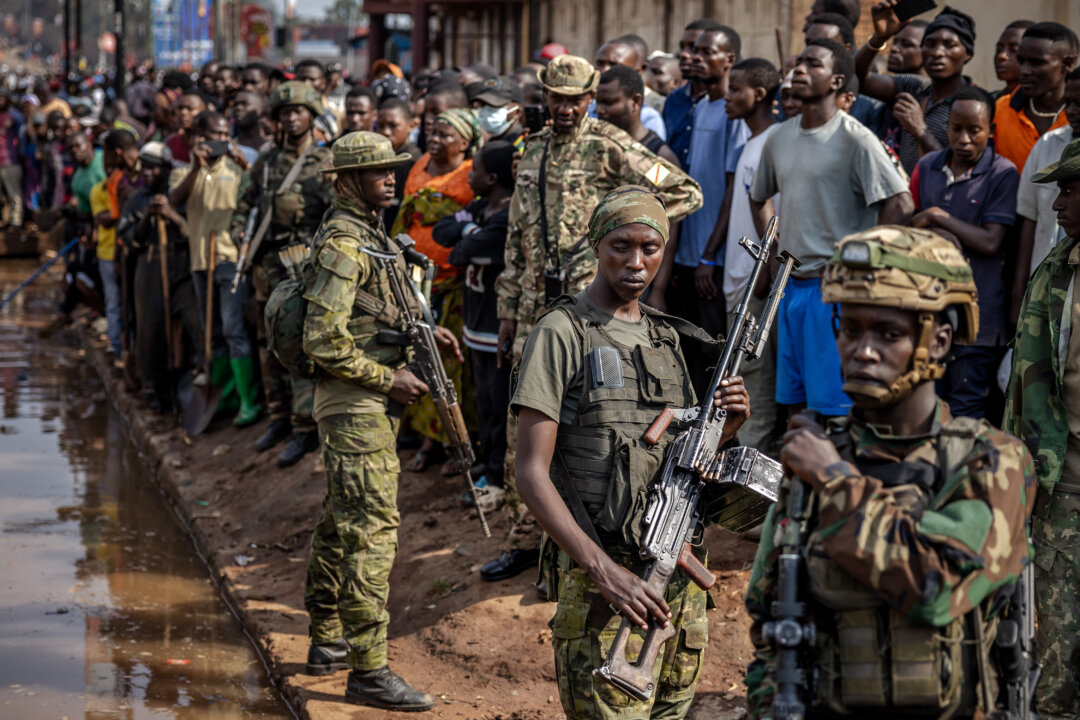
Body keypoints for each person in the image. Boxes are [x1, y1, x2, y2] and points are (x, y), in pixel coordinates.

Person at [745, 226, 1036, 720]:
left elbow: (937, 588)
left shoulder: (992, 460)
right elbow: (770, 622)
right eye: (851, 329)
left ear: (940, 342)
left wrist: (836, 481)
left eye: (890, 333)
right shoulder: (817, 459)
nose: (863, 350)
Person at [513, 185, 748, 719]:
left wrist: (727, 431)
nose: (636, 262)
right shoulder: (561, 332)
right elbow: (530, 472)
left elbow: (686, 459)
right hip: (606, 589)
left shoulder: (671, 339)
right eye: (621, 245)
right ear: (597, 245)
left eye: (651, 247)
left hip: (678, 587)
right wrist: (602, 571)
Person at [487, 54, 702, 584]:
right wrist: (509, 310)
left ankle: (589, 543)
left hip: (598, 313)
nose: (564, 108)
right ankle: (533, 547)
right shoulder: (532, 151)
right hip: (543, 313)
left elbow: (684, 191)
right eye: (555, 99)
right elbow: (517, 238)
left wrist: (623, 236)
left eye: (574, 99)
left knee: (590, 433)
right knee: (531, 433)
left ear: (589, 97)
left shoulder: (610, 144)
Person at [301, 131, 457, 712]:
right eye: (377, 173)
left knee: (343, 517)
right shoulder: (346, 240)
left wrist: (422, 333)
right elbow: (322, 339)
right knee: (372, 527)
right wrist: (386, 377)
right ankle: (368, 669)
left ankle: (326, 638)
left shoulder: (369, 232)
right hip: (354, 403)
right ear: (346, 180)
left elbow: (375, 310)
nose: (391, 178)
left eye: (394, 169)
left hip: (361, 401)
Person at [749, 39, 913, 420]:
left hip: (834, 292)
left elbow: (901, 203)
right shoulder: (780, 136)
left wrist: (857, 262)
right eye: (798, 63)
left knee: (835, 409)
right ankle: (798, 480)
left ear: (838, 81)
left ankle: (838, 479)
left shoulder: (854, 138)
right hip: (789, 290)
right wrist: (772, 253)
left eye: (812, 64)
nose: (799, 71)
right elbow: (759, 198)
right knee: (794, 405)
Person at [1004, 136, 1080, 720]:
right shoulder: (1057, 269)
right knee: (1055, 637)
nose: (1058, 203)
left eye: (1072, 189)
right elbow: (1026, 390)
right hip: (1064, 478)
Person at [230, 80, 332, 467]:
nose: (291, 119)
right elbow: (244, 203)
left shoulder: (323, 162)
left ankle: (304, 427)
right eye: (284, 113)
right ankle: (277, 418)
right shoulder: (268, 162)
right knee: (267, 342)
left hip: (305, 265)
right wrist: (240, 232)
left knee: (299, 343)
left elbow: (336, 213)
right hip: (266, 265)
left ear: (310, 115)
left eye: (298, 112)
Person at [909, 87, 1019, 419]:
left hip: (978, 318)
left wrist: (938, 217)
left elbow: (989, 241)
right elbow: (909, 228)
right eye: (956, 128)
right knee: (924, 404)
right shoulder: (929, 165)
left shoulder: (1002, 173)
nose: (964, 139)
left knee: (965, 409)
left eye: (975, 130)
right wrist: (929, 223)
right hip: (928, 307)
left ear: (991, 131)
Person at [390, 109, 478, 475]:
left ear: (465, 142)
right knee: (419, 356)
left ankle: (456, 441)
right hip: (417, 282)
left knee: (451, 365)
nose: (436, 140)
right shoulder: (420, 163)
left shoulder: (471, 172)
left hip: (454, 280)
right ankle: (428, 439)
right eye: (433, 132)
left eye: (445, 134)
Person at [432, 140, 516, 505]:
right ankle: (485, 464)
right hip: (474, 328)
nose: (469, 175)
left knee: (500, 406)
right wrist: (470, 233)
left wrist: (469, 237)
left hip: (497, 328)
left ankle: (498, 477)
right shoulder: (482, 207)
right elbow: (444, 232)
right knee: (482, 403)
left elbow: (466, 250)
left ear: (493, 177)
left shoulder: (508, 216)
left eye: (475, 170)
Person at [653, 24, 748, 334]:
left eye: (706, 52)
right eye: (696, 51)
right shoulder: (701, 106)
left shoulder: (734, 111)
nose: (695, 58)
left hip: (714, 258)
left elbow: (733, 188)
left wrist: (709, 255)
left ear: (729, 59)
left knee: (712, 344)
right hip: (687, 253)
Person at [170, 111, 260, 427]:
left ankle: (249, 400)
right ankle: (226, 395)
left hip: (229, 257)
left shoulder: (238, 166)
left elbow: (258, 196)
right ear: (200, 137)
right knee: (214, 332)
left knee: (234, 328)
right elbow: (175, 199)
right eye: (214, 135)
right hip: (199, 258)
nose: (221, 140)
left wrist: (246, 166)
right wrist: (196, 166)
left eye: (225, 134)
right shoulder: (184, 171)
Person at [721, 58, 782, 455]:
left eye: (735, 89)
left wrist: (765, 270)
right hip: (738, 283)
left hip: (755, 284)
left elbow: (775, 214)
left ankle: (753, 494)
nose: (727, 98)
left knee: (754, 388)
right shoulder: (750, 143)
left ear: (759, 95)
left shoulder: (774, 143)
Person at [116, 141, 203, 413]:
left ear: (166, 169)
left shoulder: (181, 194)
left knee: (195, 322)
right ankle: (155, 390)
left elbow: (193, 231)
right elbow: (128, 238)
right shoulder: (137, 199)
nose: (148, 173)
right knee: (150, 330)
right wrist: (147, 219)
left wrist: (171, 215)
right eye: (145, 168)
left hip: (180, 265)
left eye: (154, 168)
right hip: (149, 267)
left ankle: (201, 379)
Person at [856, 4, 977, 174]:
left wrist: (920, 130)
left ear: (968, 53)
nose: (937, 53)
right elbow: (859, 81)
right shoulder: (915, 86)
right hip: (907, 198)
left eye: (948, 45)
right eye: (930, 44)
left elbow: (959, 170)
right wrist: (879, 39)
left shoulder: (974, 104)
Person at [1013, 67, 1080, 296]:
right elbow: (1029, 217)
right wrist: (1020, 288)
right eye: (1068, 102)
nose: (1071, 111)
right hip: (1046, 279)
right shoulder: (1048, 143)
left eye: (1079, 103)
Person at [994, 22, 1078, 174]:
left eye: (1036, 62)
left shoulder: (1075, 116)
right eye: (1021, 61)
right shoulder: (1000, 110)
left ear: (1068, 63)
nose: (1024, 71)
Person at [806, 12, 886, 136]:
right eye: (809, 43)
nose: (812, 51)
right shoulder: (793, 91)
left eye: (824, 44)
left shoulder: (870, 106)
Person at [663, 19, 722, 170]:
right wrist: (657, 187)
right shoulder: (674, 99)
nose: (684, 54)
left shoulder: (724, 103)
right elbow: (663, 153)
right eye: (682, 47)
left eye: (694, 48)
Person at [594, 66, 679, 167]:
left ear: (635, 102)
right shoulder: (594, 145)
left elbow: (661, 182)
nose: (599, 110)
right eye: (597, 103)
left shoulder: (656, 157)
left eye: (608, 103)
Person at [593, 37, 667, 140]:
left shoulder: (649, 117)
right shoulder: (588, 107)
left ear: (639, 69)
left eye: (614, 65)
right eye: (600, 63)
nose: (604, 70)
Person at [374, 98, 421, 228]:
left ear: (410, 126)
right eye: (381, 126)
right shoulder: (380, 157)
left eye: (393, 126)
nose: (386, 132)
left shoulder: (414, 162)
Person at [294, 59, 341, 141]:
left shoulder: (336, 115)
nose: (306, 84)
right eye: (302, 79)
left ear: (323, 83)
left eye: (312, 79)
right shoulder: (286, 114)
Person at [473, 76, 525, 147]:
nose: (486, 111)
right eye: (482, 105)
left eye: (494, 106)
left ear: (516, 112)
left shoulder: (523, 144)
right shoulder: (489, 142)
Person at [0, 90, 25, 228]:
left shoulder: (15, 116)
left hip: (10, 161)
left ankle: (16, 222)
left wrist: (21, 157)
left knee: (14, 194)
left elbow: (21, 138)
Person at [994, 20, 1035, 98]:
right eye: (999, 49)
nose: (1001, 56)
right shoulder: (991, 101)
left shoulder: (1039, 105)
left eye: (1014, 49)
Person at [165, 91, 207, 164]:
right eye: (180, 108)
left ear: (202, 111)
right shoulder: (171, 142)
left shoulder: (207, 146)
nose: (183, 112)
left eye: (190, 108)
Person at [229, 90, 266, 164]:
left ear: (260, 109)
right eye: (235, 104)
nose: (238, 108)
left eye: (244, 104)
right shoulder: (231, 147)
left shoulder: (271, 145)